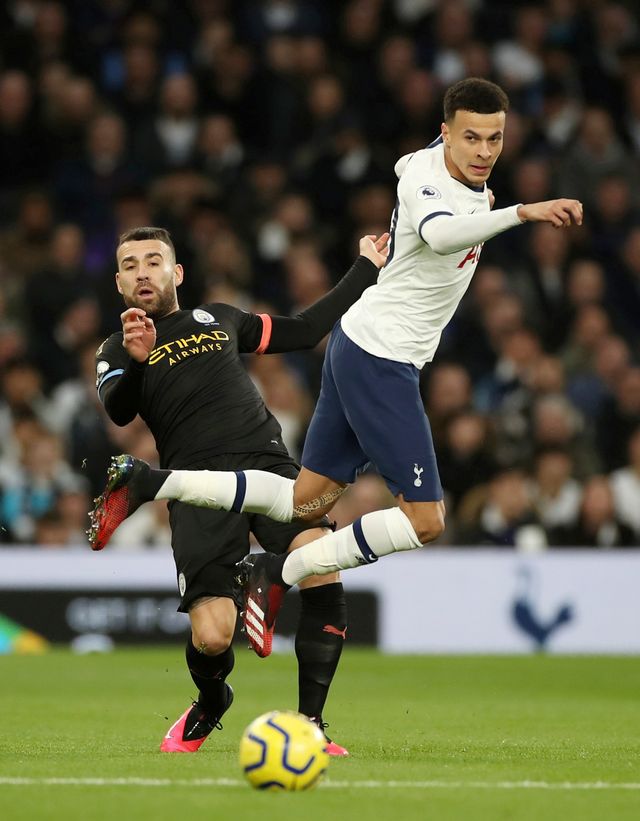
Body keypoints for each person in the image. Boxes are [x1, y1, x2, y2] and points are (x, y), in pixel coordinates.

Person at [90, 78, 583, 656]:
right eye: (470, 137)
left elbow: (437, 203)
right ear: (445, 134)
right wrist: (524, 212)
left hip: (359, 345)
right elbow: (440, 233)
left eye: (494, 138)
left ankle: (152, 484)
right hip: (381, 356)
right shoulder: (427, 179)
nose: (483, 150)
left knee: (305, 503)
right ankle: (274, 574)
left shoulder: (450, 173)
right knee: (426, 522)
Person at [88, 225, 388, 755]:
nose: (142, 273)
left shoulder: (219, 318)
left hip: (266, 465)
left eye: (153, 261)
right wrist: (137, 361)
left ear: (176, 273)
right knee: (213, 636)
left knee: (320, 564)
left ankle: (312, 725)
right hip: (198, 486)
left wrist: (365, 268)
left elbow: (303, 329)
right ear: (118, 283)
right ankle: (210, 701)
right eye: (130, 265)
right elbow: (119, 411)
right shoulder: (116, 347)